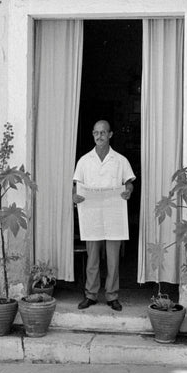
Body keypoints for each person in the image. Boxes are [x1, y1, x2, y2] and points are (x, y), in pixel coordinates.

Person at [72, 120, 135, 312]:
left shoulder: (120, 160)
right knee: (92, 258)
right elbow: (77, 186)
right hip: (92, 214)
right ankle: (90, 295)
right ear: (93, 134)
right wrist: (74, 196)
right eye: (96, 133)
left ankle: (112, 295)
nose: (99, 136)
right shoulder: (84, 160)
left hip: (113, 214)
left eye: (103, 133)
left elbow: (129, 183)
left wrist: (129, 191)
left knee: (113, 258)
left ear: (110, 135)